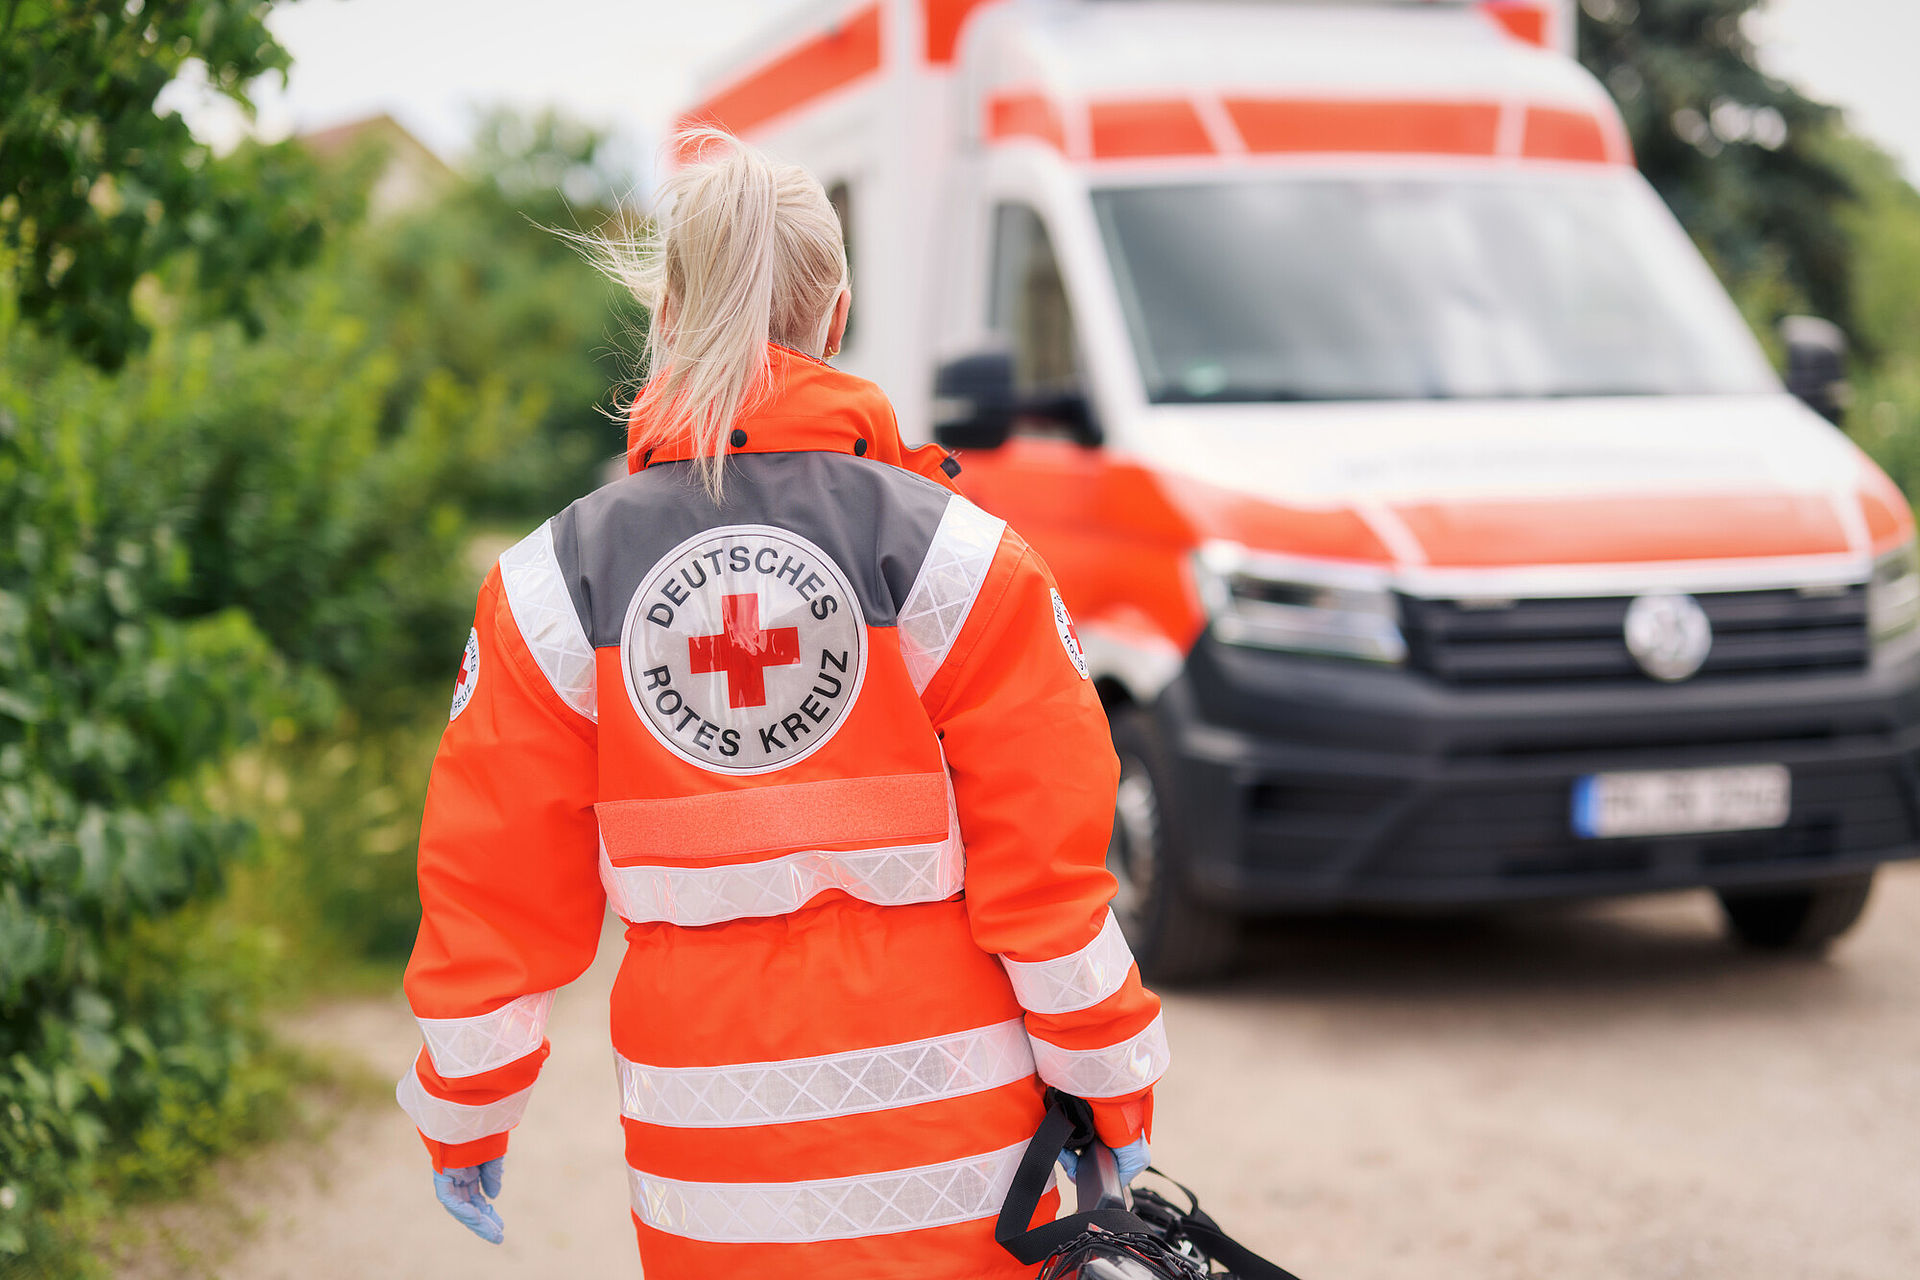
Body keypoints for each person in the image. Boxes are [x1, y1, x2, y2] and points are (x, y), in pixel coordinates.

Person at [397, 129, 1169, 1278]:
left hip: (710, 1178)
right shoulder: (960, 559)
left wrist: (465, 1110)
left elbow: (492, 893)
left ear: (668, 319)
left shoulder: (551, 587)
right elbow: (1049, 879)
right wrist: (1111, 1089)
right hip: (963, 1168)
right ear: (838, 316)